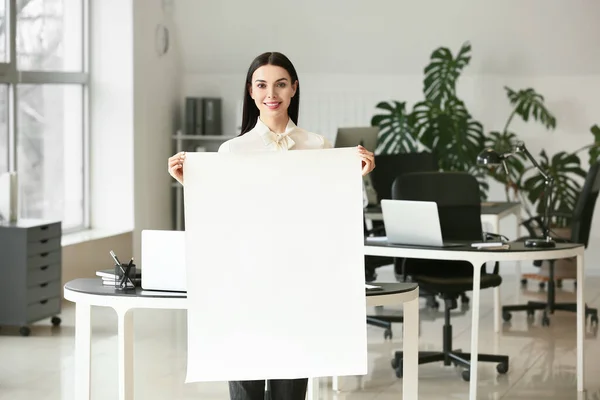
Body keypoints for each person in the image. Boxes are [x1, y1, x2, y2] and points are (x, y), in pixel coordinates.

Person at [168, 51, 375, 400]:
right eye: (262, 85)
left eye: (280, 84)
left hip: (299, 280)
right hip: (246, 279)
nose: (272, 94)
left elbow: (335, 215)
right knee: (245, 385)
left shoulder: (318, 145)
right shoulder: (232, 151)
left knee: (291, 384)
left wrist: (357, 179)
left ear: (294, 88)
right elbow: (222, 218)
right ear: (250, 91)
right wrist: (192, 184)